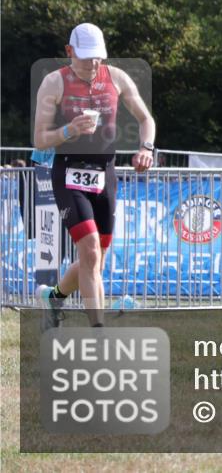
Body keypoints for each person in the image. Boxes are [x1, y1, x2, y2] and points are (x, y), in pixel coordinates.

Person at [32, 22, 156, 328]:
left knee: (95, 259)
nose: (93, 63)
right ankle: (97, 332)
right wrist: (68, 130)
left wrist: (146, 148)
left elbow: (145, 119)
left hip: (105, 174)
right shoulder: (53, 82)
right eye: (86, 56)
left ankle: (54, 297)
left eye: (98, 56)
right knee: (88, 250)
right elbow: (40, 139)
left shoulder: (117, 77)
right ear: (69, 52)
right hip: (68, 172)